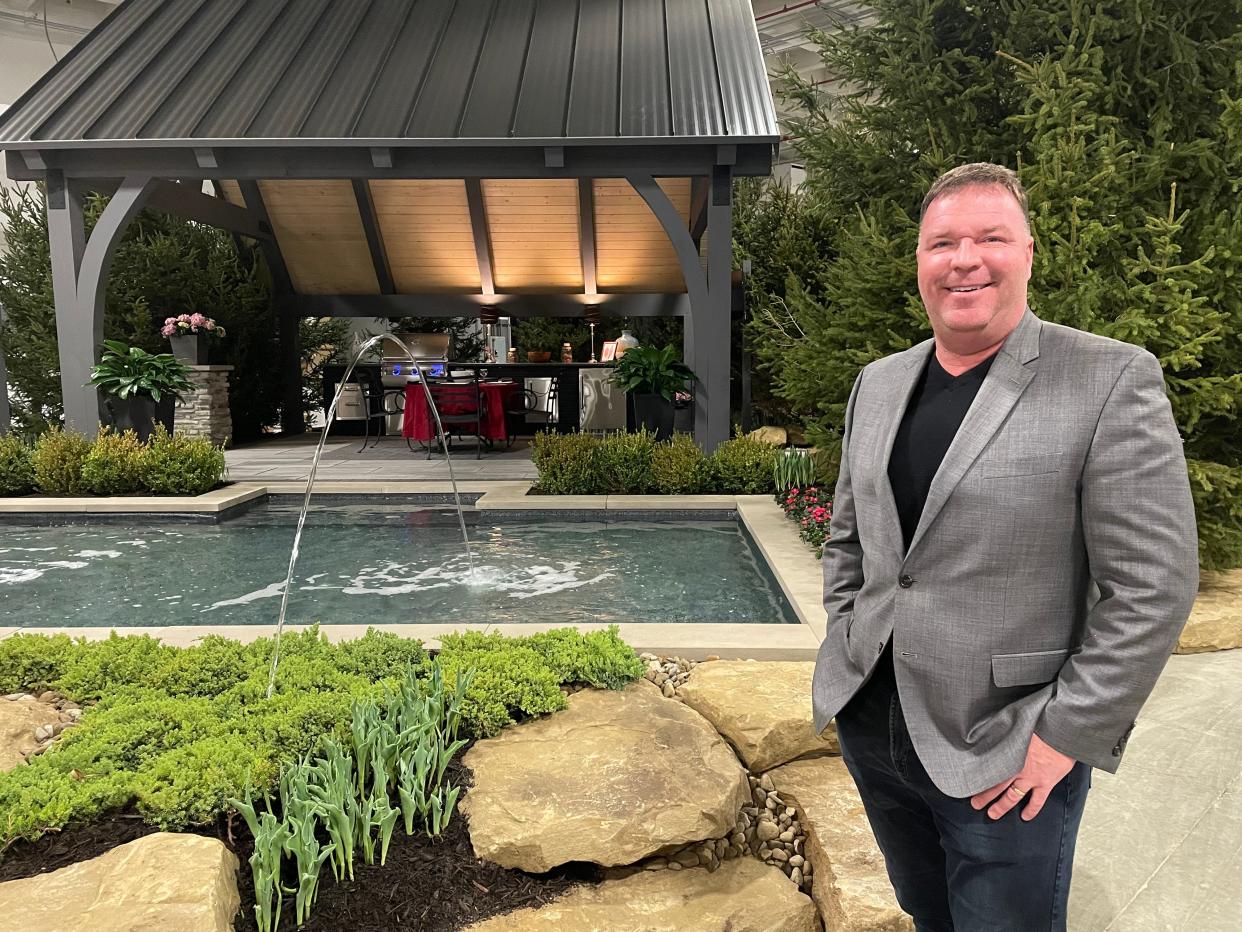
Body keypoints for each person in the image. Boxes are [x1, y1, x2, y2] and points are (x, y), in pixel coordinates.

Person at [810, 162, 1200, 931]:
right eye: (942, 242)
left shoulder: (1109, 378)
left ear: (1028, 251)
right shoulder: (880, 383)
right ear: (919, 261)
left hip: (1009, 747)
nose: (965, 259)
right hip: (876, 729)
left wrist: (1068, 737)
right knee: (928, 914)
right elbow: (850, 537)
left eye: (991, 237)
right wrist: (846, 639)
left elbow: (1154, 584)